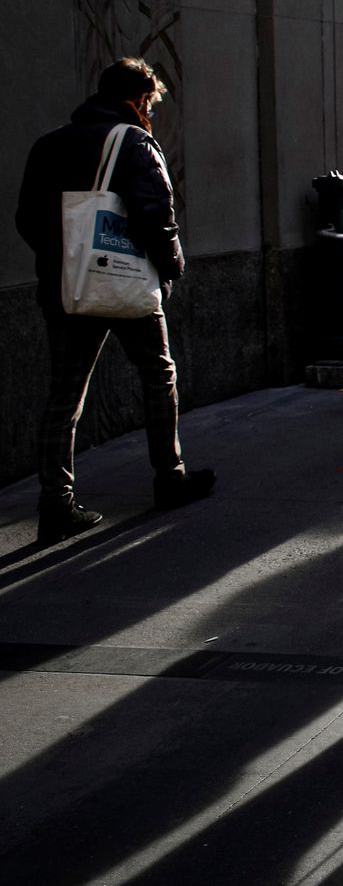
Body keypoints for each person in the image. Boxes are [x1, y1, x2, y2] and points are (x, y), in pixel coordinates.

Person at [15, 57, 216, 543]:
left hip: (67, 287)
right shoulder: (134, 142)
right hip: (125, 283)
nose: (151, 111)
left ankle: (56, 505)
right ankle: (170, 477)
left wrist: (66, 260)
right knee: (158, 375)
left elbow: (26, 218)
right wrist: (170, 270)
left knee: (65, 396)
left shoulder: (50, 143)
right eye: (150, 102)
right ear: (137, 99)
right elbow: (156, 216)